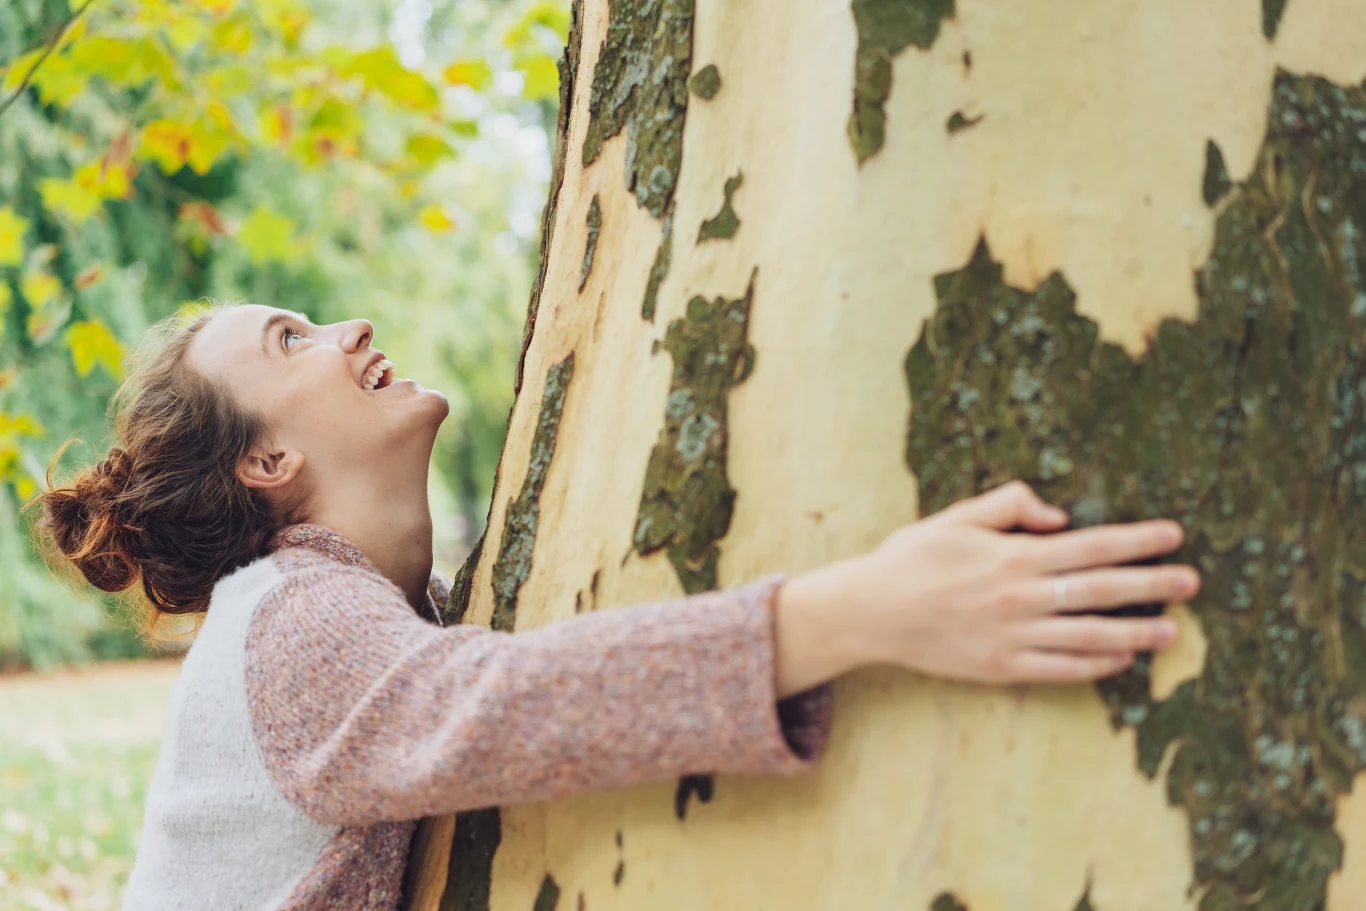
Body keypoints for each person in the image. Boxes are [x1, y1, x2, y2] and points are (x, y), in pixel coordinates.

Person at [36, 304, 1199, 911]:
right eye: (291, 340)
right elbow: (491, 704)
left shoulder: (355, 603)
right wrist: (862, 610)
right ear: (266, 459)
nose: (352, 330)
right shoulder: (286, 616)